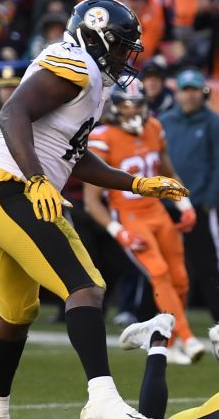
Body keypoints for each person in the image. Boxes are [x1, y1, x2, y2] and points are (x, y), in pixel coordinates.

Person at [0, 0, 190, 419]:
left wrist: (136, 183)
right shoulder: (75, 64)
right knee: (84, 288)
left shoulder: (90, 82)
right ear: (97, 38)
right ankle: (101, 396)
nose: (128, 57)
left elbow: (73, 156)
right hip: (11, 189)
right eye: (123, 47)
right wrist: (37, 179)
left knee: (17, 312)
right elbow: (11, 114)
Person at [83, 82, 205, 364]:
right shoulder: (103, 137)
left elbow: (168, 172)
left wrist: (184, 205)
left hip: (158, 213)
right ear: (114, 105)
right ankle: (187, 337)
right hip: (130, 216)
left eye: (138, 103)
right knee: (159, 272)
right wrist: (119, 231)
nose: (134, 109)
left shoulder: (153, 128)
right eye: (128, 103)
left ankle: (170, 343)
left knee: (181, 280)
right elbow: (92, 200)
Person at [157, 70, 219, 337]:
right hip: (167, 204)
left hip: (199, 205)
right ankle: (155, 317)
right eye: (185, 90)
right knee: (160, 264)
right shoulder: (164, 122)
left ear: (202, 93)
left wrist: (206, 200)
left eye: (194, 90)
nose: (190, 95)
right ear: (178, 92)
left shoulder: (214, 123)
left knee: (210, 266)